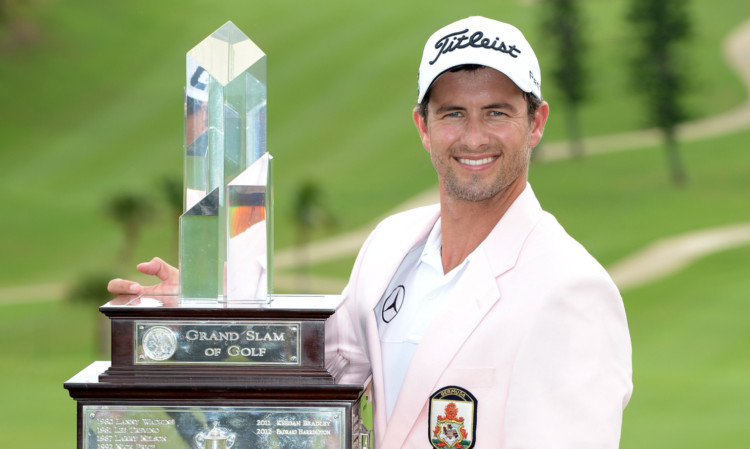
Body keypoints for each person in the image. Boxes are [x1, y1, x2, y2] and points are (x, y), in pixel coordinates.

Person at [109, 16, 632, 448]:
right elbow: (319, 366)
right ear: (423, 127)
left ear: (536, 122)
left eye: (497, 112)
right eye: (453, 113)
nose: (474, 137)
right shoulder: (391, 246)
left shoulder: (571, 289)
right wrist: (206, 314)